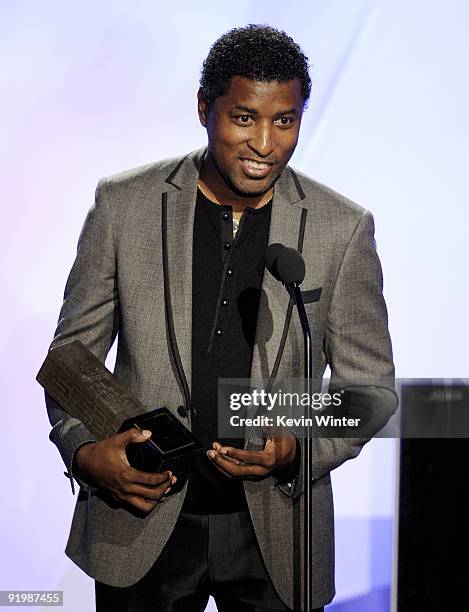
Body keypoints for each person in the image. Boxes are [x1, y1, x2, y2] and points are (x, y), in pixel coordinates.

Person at [43, 25, 396, 611]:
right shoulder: (123, 205)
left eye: (284, 121)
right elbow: (70, 360)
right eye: (244, 118)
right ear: (205, 108)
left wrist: (294, 449)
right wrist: (84, 452)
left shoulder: (342, 228)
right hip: (140, 525)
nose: (264, 143)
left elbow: (371, 391)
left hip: (278, 537)